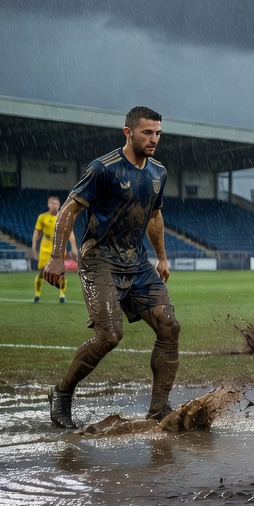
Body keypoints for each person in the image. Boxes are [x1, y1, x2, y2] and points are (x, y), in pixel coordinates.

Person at [42, 106, 182, 429]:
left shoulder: (158, 172)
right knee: (109, 336)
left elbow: (155, 217)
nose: (154, 139)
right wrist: (56, 257)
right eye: (147, 132)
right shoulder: (102, 169)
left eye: (158, 133)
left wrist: (161, 257)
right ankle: (62, 392)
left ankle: (158, 410)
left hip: (137, 262)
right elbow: (68, 210)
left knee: (170, 327)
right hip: (99, 260)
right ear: (128, 132)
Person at [32, 195, 78, 303]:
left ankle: (62, 296)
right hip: (45, 247)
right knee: (42, 273)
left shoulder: (64, 217)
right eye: (52, 203)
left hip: (60, 247)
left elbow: (70, 232)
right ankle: (37, 295)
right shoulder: (42, 217)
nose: (54, 205)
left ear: (59, 205)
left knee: (61, 273)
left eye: (56, 203)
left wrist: (74, 247)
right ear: (48, 204)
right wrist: (34, 245)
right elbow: (37, 231)